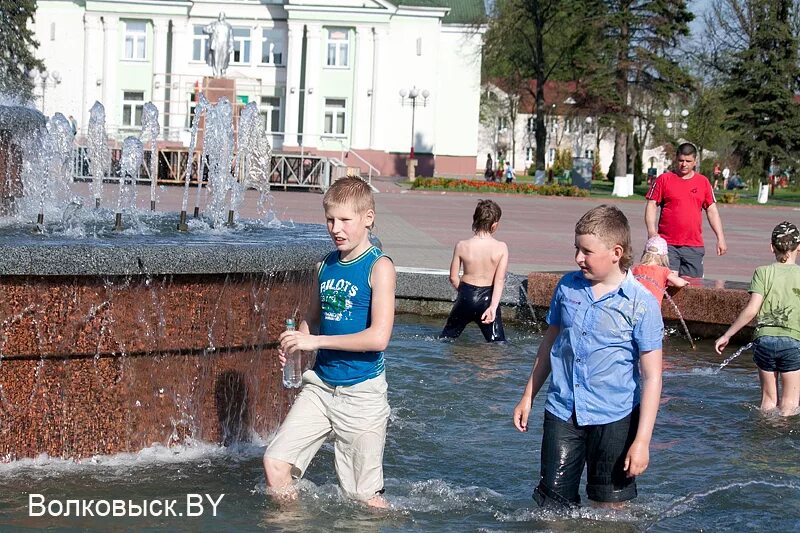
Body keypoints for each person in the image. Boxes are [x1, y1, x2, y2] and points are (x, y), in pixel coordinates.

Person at [513, 205, 664, 508]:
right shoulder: (567, 287)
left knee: (609, 508)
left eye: (586, 251)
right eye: (576, 249)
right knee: (552, 505)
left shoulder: (641, 304)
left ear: (616, 252)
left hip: (616, 417)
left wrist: (642, 441)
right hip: (563, 411)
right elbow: (549, 345)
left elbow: (652, 377)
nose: (578, 258)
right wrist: (528, 396)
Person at [263, 176, 396, 507]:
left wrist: (315, 343)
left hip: (361, 394)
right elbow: (314, 318)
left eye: (345, 220)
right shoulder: (325, 265)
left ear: (368, 218)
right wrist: (298, 344)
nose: (336, 228)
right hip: (320, 387)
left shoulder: (379, 267)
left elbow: (379, 338)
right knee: (275, 464)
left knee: (365, 500)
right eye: (330, 220)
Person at [714, 221, 800, 416]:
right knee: (790, 403)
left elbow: (752, 310)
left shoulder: (762, 272)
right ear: (799, 246)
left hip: (764, 340)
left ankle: (763, 436)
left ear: (771, 247)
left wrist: (727, 335)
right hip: (792, 341)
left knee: (768, 401)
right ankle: (780, 442)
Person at [645, 142, 727, 278]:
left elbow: (712, 210)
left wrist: (720, 237)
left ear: (695, 161)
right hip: (667, 244)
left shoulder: (703, 182)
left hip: (693, 245)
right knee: (668, 285)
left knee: (692, 290)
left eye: (688, 161)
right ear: (676, 159)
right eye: (681, 160)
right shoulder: (664, 180)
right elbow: (652, 205)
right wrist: (651, 231)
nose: (684, 164)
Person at [439, 199, 508, 342]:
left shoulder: (462, 245)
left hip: (465, 296)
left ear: (474, 220)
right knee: (498, 343)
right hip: (487, 299)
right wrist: (493, 307)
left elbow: (453, 277)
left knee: (446, 338)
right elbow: (499, 280)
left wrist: (465, 294)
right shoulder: (501, 247)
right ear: (495, 225)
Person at [632, 235, 688, 305]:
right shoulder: (663, 271)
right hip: (654, 310)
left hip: (636, 307)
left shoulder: (636, 269)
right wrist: (685, 282)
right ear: (664, 256)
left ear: (644, 253)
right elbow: (679, 283)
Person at [203, 12, 234, 77]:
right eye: (220, 15)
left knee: (224, 58)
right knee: (216, 58)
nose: (221, 17)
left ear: (225, 17)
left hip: (225, 44)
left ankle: (223, 72)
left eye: (222, 15)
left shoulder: (228, 26)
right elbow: (204, 29)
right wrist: (211, 30)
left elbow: (231, 37)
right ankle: (216, 73)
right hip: (216, 43)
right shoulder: (214, 24)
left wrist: (231, 46)